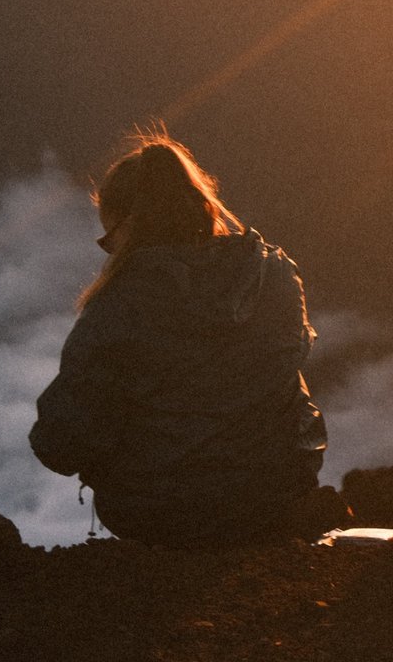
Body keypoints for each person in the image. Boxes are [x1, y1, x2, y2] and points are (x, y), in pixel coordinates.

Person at [30, 133, 331, 547]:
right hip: (278, 494)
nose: (109, 251)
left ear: (127, 228)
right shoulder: (273, 274)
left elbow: (60, 443)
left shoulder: (119, 305)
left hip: (165, 513)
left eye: (108, 239)